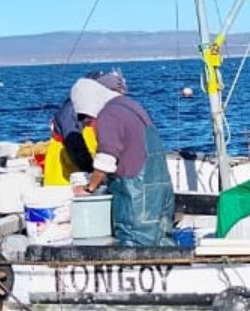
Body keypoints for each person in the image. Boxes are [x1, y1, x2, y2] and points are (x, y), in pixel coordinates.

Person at [72, 77, 175, 247]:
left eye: (86, 117)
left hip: (136, 192)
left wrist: (89, 188)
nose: (87, 122)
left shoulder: (108, 114)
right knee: (163, 240)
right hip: (160, 186)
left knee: (135, 242)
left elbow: (106, 159)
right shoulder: (130, 105)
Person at [44, 70, 127, 185]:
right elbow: (75, 145)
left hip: (86, 171)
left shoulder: (96, 109)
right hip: (64, 174)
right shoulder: (72, 110)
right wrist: (93, 172)